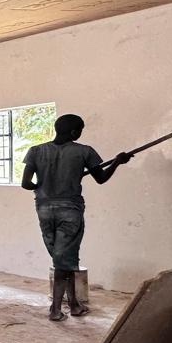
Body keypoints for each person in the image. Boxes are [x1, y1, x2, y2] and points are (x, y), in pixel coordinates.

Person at [21, 113, 132, 321]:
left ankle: (74, 305)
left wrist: (44, 184)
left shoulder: (36, 151)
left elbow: (26, 184)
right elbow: (101, 178)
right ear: (74, 131)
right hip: (69, 210)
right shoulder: (84, 152)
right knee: (64, 260)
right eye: (79, 130)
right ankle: (55, 309)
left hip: (44, 209)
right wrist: (118, 161)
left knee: (64, 258)